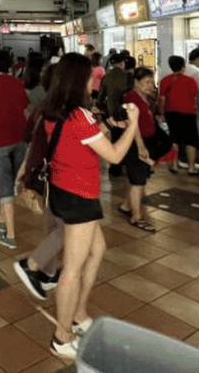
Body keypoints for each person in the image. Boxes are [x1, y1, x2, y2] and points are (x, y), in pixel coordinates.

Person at [35, 53, 139, 358]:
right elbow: (115, 156)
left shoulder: (55, 110)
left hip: (66, 191)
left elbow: (80, 141)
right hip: (78, 196)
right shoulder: (79, 115)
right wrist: (132, 125)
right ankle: (62, 336)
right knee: (73, 268)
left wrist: (106, 123)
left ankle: (78, 313)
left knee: (97, 250)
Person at [0, 49, 30, 249]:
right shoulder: (19, 84)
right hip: (20, 141)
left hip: (0, 142)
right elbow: (25, 111)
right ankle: (1, 218)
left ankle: (10, 235)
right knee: (10, 182)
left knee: (4, 187)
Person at [119, 67, 160, 231]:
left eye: (151, 82)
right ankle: (136, 216)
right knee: (138, 181)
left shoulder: (145, 97)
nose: (150, 85)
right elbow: (133, 125)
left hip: (146, 141)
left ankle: (126, 205)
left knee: (138, 178)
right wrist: (140, 145)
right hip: (135, 143)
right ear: (136, 82)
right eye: (146, 82)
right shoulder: (131, 97)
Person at [159, 56, 199, 176]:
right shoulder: (191, 80)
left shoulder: (165, 80)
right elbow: (195, 97)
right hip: (188, 113)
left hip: (171, 113)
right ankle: (191, 167)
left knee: (174, 139)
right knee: (190, 140)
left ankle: (174, 165)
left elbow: (162, 99)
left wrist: (161, 113)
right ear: (183, 66)